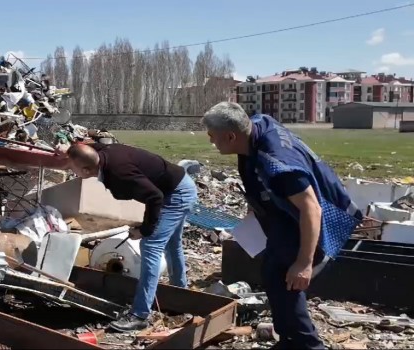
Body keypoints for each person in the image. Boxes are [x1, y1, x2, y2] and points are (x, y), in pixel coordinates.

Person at [202, 102, 362, 349]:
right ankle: (289, 339)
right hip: (284, 217)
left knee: (287, 282)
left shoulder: (277, 164)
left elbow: (312, 209)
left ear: (231, 136)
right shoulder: (256, 126)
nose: (211, 142)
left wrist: (304, 263)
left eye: (213, 137)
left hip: (315, 219)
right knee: (271, 272)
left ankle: (307, 344)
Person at [59, 143, 197, 332]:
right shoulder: (102, 154)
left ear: (85, 169)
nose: (70, 170)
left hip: (175, 194)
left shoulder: (119, 173)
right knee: (172, 244)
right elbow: (92, 147)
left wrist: (144, 230)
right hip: (178, 185)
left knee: (151, 245)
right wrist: (69, 149)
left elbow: (155, 197)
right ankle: (180, 295)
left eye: (72, 168)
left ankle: (140, 315)